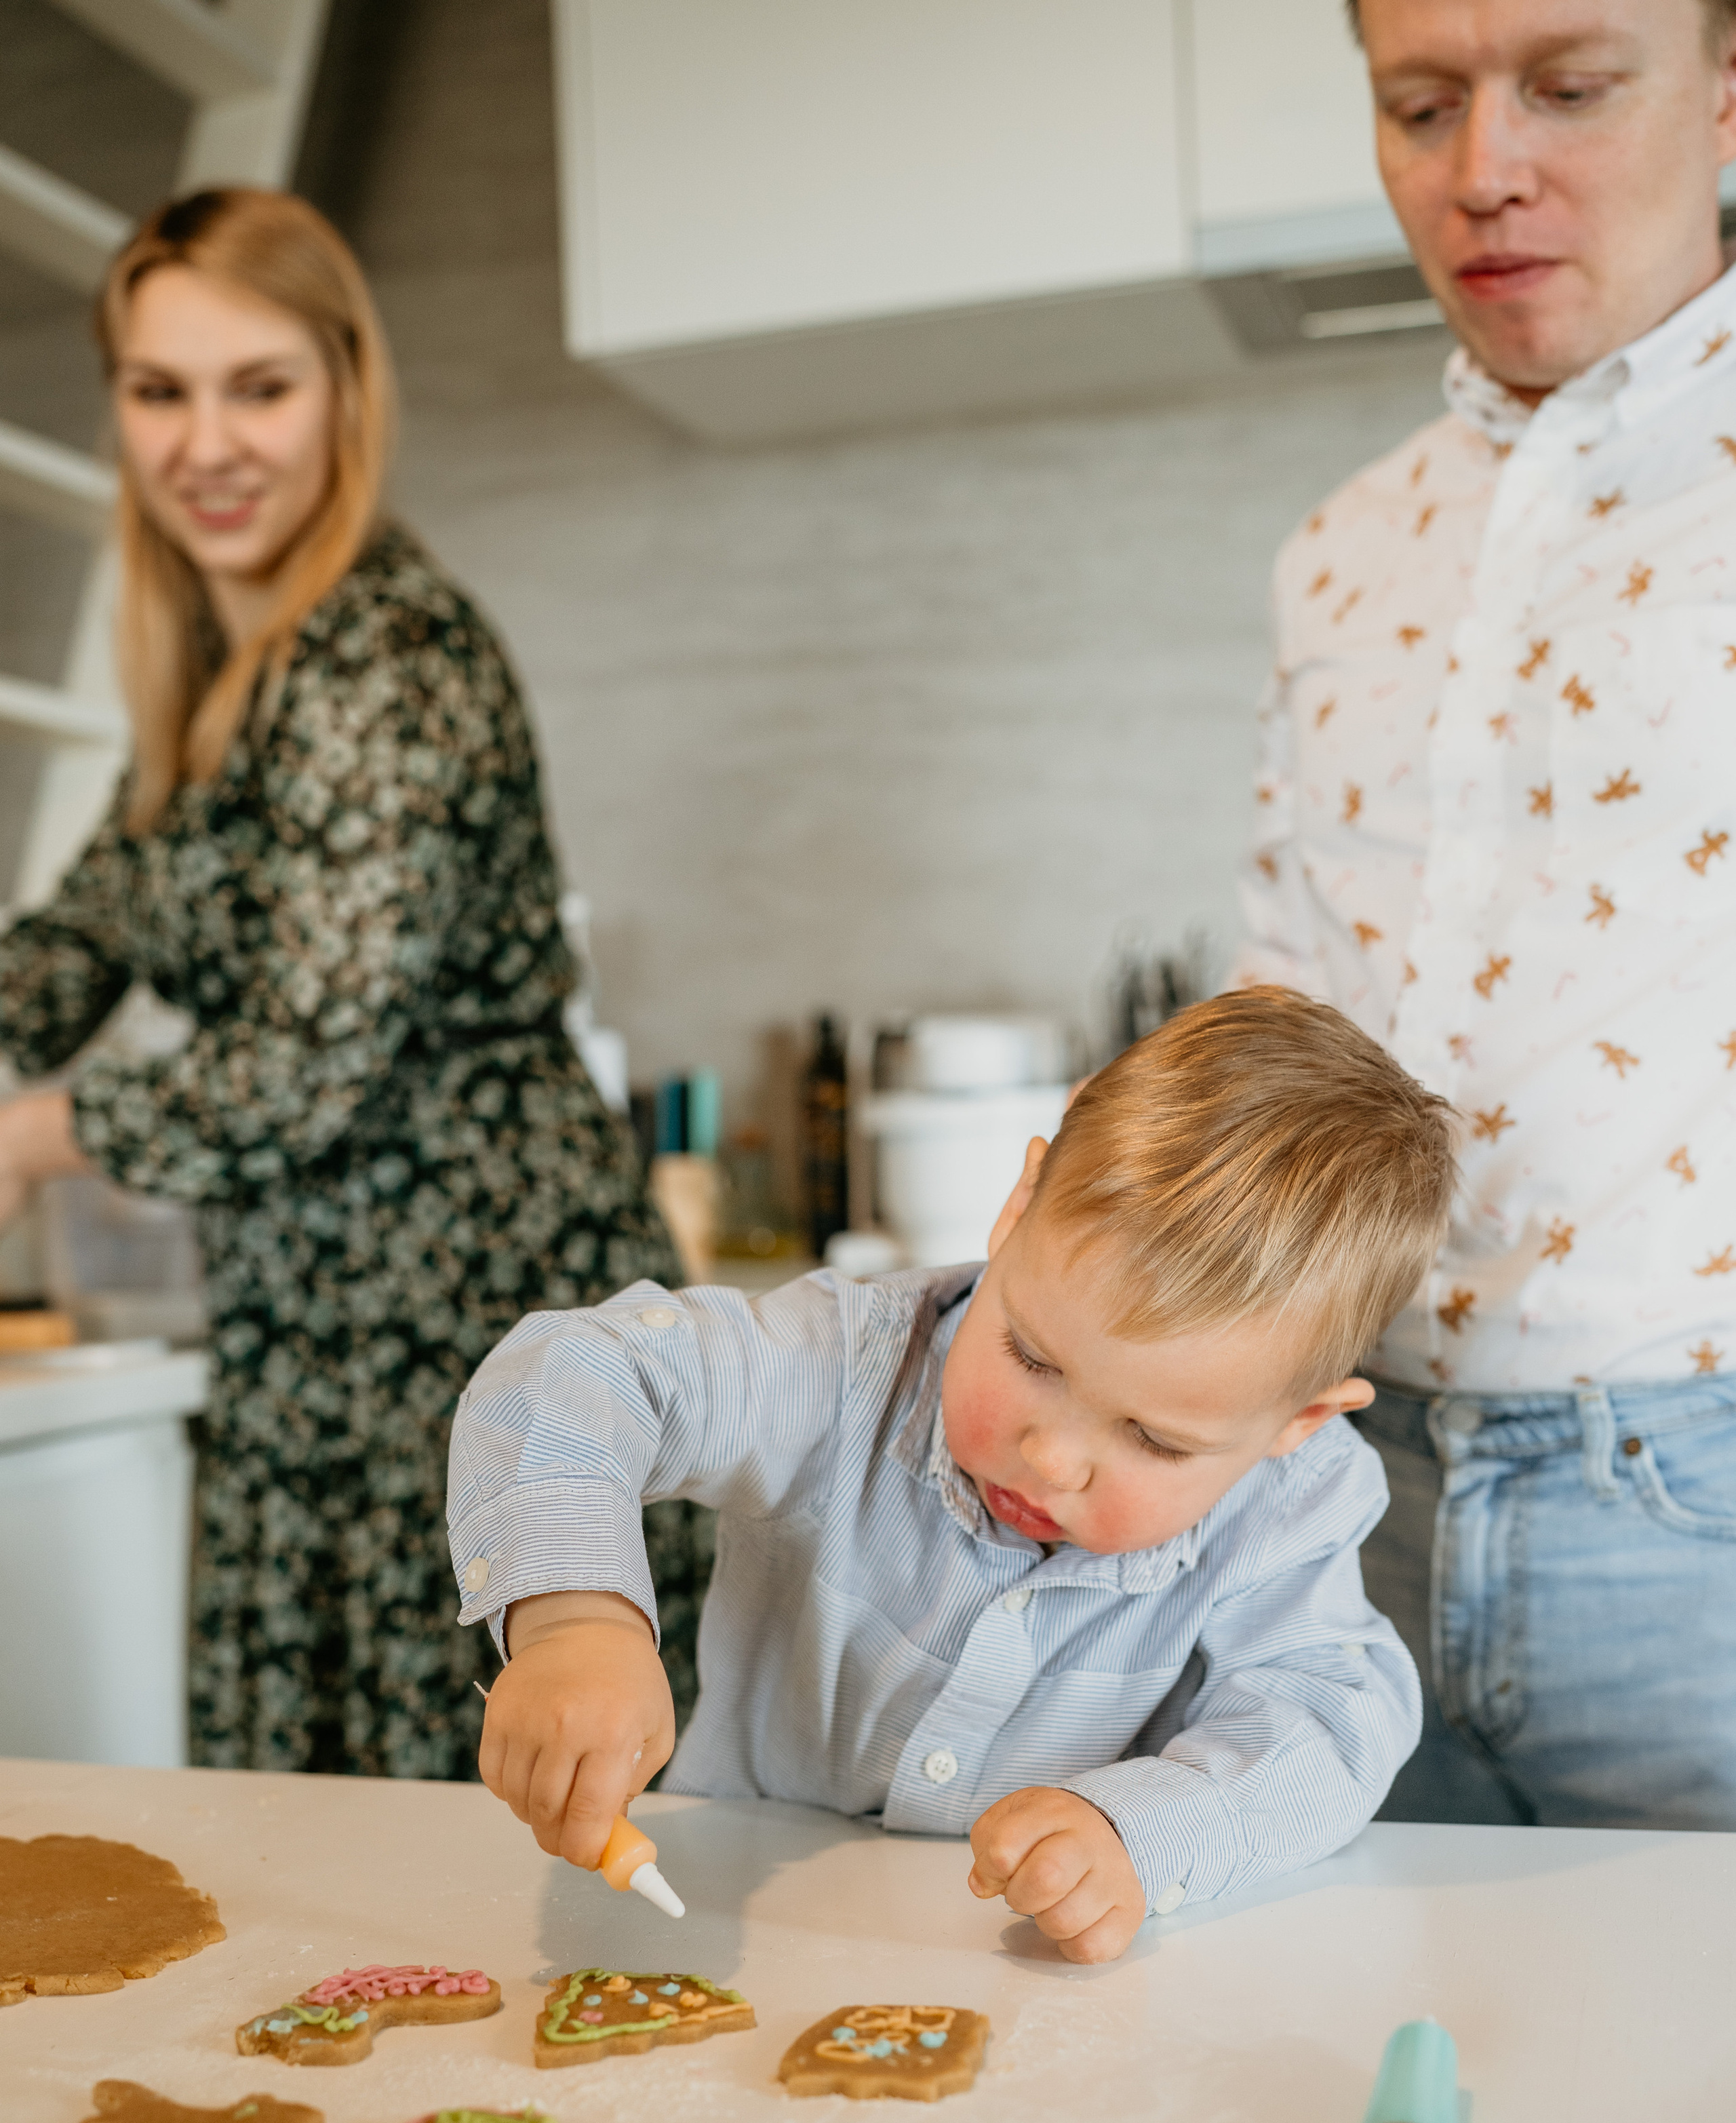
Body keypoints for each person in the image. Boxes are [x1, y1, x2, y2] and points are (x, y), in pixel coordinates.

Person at [0, 188, 706, 1776]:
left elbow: (299, 1065)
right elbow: (59, 960)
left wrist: (35, 1139)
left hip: (466, 1320)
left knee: (472, 1837)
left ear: (344, 390)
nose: (208, 443)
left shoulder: (389, 662)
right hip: (309, 1333)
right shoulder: (220, 679)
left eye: (261, 386)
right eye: (160, 390)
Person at [448, 990, 1455, 1964]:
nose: (1052, 1456)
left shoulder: (1291, 1510)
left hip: (1026, 1977)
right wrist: (575, 1621)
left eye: (1156, 1439)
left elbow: (1328, 1725)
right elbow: (579, 1373)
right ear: (1016, 1211)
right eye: (1033, 1360)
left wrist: (1141, 1834)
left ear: (1300, 1421)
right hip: (721, 1921)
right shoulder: (845, 1365)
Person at [1239, 0, 1736, 1825]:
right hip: (1341, 1498)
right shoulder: (1337, 552)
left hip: (1698, 1512)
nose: (1484, 170)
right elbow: (1284, 990)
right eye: (1421, 105)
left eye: (1573, 88)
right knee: (1364, 2076)